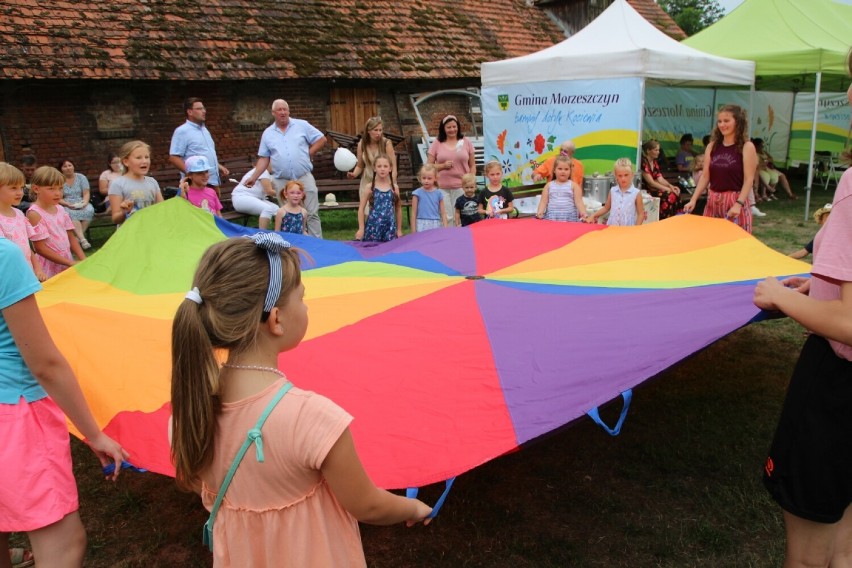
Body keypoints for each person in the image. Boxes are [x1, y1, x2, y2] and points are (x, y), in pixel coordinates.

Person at [169, 234, 431, 567]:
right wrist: (413, 507)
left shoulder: (189, 415)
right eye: (302, 298)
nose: (305, 306)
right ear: (276, 319)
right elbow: (367, 505)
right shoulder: (310, 418)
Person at [0, 235, 126, 568]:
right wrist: (94, 434)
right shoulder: (4, 257)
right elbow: (45, 365)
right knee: (63, 544)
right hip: (15, 413)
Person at [245, 99, 326, 238]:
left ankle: (316, 243)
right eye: (279, 110)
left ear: (289, 111)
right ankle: (288, 243)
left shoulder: (302, 125)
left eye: (285, 110)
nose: (283, 112)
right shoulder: (268, 133)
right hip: (282, 180)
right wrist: (253, 178)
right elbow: (264, 158)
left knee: (312, 212)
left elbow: (321, 139)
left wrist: (308, 153)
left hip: (303, 176)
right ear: (273, 113)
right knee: (286, 213)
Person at [684, 105, 757, 233]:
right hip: (713, 201)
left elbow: (749, 179)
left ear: (738, 122)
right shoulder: (712, 146)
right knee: (711, 244)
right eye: (720, 121)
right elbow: (706, 176)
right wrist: (693, 199)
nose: (722, 125)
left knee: (736, 245)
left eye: (726, 121)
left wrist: (738, 204)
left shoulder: (747, 146)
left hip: (735, 200)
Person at [27, 166, 86, 279]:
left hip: (66, 262)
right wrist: (69, 263)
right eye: (51, 189)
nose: (58, 193)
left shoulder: (60, 209)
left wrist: (83, 260)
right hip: (48, 268)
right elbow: (40, 248)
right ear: (36, 189)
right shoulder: (34, 213)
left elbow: (71, 237)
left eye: (60, 188)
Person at [168, 97, 229, 189]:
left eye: (203, 108)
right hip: (195, 185)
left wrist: (218, 166)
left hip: (213, 181)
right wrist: (192, 174)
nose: (204, 111)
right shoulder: (182, 131)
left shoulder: (204, 130)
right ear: (190, 112)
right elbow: (174, 158)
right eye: (199, 109)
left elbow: (203, 152)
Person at [428, 115, 476, 227]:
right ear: (443, 128)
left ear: (458, 127)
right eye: (448, 127)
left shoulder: (466, 141)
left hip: (462, 186)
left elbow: (472, 164)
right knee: (447, 216)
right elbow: (428, 166)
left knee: (462, 215)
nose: (452, 129)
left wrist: (471, 179)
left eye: (454, 126)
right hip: (443, 187)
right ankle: (448, 239)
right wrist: (442, 166)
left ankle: (463, 239)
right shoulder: (437, 143)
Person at [0, 163, 45, 281]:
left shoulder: (19, 214)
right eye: (13, 188)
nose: (20, 193)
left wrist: (38, 268)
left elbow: (26, 245)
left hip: (27, 273)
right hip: (9, 277)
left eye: (21, 187)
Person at [108, 141, 164, 225]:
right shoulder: (118, 184)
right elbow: (115, 219)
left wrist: (180, 195)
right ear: (126, 162)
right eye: (138, 158)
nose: (144, 161)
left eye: (147, 157)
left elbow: (162, 209)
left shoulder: (152, 182)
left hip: (152, 230)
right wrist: (124, 212)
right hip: (130, 233)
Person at [347, 117, 398, 203]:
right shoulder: (362, 144)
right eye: (375, 130)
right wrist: (353, 174)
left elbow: (393, 168)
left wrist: (391, 184)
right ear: (368, 131)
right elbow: (360, 165)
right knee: (366, 212)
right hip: (367, 182)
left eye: (380, 130)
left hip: (384, 182)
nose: (378, 133)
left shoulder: (386, 143)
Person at [586, 158, 645, 226]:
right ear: (616, 176)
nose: (623, 178)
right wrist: (593, 215)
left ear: (632, 174)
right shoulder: (613, 191)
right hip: (613, 227)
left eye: (626, 175)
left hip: (628, 229)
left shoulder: (636, 193)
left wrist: (636, 229)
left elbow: (641, 214)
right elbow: (606, 208)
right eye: (620, 176)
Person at [356, 155, 401, 242]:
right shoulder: (370, 187)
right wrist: (361, 229)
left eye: (385, 166)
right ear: (374, 168)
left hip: (389, 227)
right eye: (379, 166)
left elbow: (398, 209)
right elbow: (361, 209)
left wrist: (399, 230)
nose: (382, 169)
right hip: (373, 227)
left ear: (390, 168)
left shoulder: (394, 188)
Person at [231, 157, 278, 230]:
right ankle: (262, 235)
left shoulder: (267, 174)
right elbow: (268, 191)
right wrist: (285, 194)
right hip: (242, 198)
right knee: (267, 209)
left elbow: (275, 189)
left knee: (277, 210)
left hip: (253, 198)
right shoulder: (263, 171)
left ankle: (279, 233)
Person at [535, 155, 586, 222]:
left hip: (570, 219)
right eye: (560, 169)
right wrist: (540, 212)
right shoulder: (549, 186)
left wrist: (583, 214)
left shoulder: (574, 186)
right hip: (552, 219)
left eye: (566, 169)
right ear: (554, 170)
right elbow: (543, 202)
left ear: (570, 171)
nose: (563, 171)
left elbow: (579, 202)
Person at [58, 160, 94, 250]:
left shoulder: (81, 177)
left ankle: (78, 239)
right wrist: (67, 204)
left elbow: (86, 193)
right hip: (67, 203)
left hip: (81, 201)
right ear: (61, 169)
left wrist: (85, 203)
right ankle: (83, 240)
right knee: (69, 213)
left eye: (70, 165)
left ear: (73, 166)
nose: (68, 168)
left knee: (89, 210)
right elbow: (58, 198)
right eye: (65, 166)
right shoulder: (59, 180)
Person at [640, 140, 682, 220]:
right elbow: (651, 182)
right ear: (648, 151)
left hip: (655, 188)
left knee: (676, 193)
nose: (658, 152)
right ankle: (664, 219)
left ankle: (675, 218)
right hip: (647, 190)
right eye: (656, 150)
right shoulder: (643, 162)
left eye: (658, 150)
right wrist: (668, 189)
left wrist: (671, 186)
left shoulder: (654, 162)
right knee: (669, 195)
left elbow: (660, 178)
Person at [410, 164, 446, 233]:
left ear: (435, 178)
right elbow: (413, 214)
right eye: (424, 178)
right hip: (421, 224)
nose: (426, 181)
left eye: (429, 178)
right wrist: (413, 231)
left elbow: (443, 213)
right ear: (420, 178)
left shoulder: (439, 193)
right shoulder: (417, 194)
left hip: (435, 224)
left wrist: (445, 228)